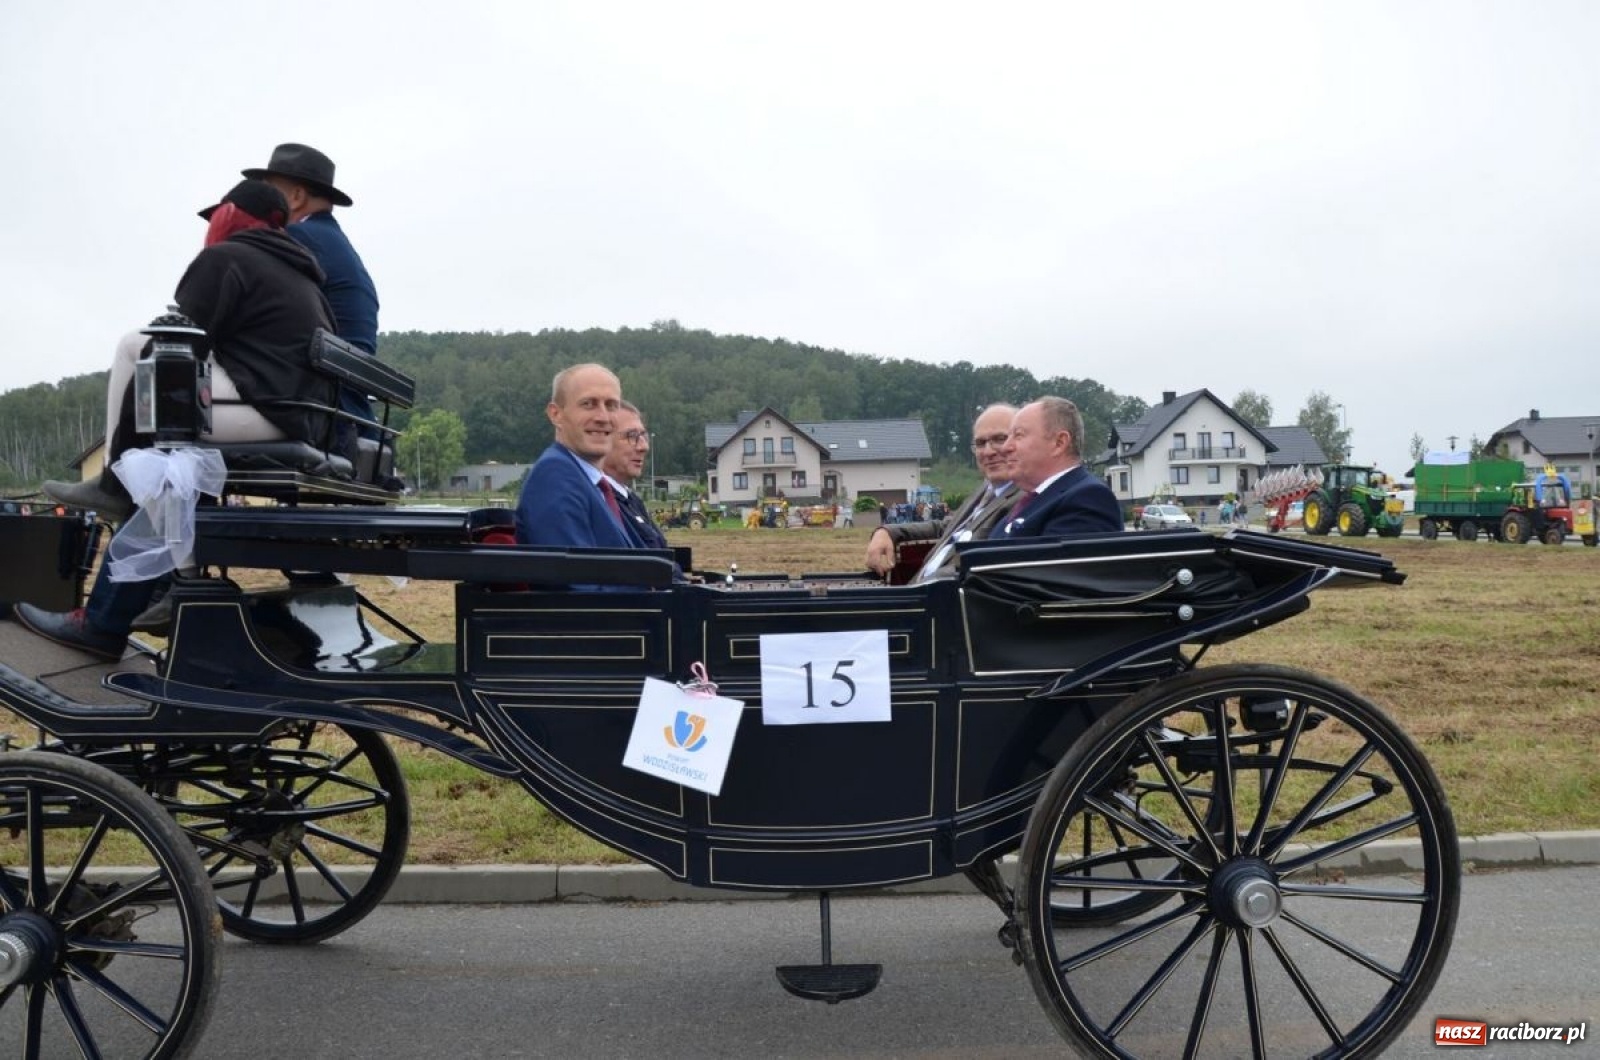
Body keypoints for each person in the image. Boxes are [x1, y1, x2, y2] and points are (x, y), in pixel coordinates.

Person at [22, 180, 339, 659]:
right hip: (302, 420)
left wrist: (136, 450)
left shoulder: (227, 259)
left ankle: (113, 484)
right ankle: (136, 596)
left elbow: (178, 342)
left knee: (135, 346)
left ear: (232, 214)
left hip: (260, 413)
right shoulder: (302, 275)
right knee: (164, 461)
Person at [242, 143, 379, 441]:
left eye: (269, 191)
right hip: (349, 403)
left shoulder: (297, 238)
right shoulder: (334, 242)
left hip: (322, 405)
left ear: (295, 196)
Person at [865, 403, 1023, 582]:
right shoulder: (987, 489)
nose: (988, 451)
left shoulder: (1024, 498)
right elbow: (946, 527)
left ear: (1020, 441)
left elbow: (983, 568)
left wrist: (917, 590)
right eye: (980, 443)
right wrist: (887, 532)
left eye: (999, 439)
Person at [514, 363, 643, 550]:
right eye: (588, 404)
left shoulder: (592, 483)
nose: (603, 417)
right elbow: (573, 575)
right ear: (556, 414)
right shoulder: (555, 478)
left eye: (611, 405)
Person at [996, 396, 1125, 538]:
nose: (1005, 448)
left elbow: (1051, 559)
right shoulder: (1030, 501)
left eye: (1018, 435)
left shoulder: (1087, 499)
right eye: (1008, 437)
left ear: (1059, 443)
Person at [601, 401, 669, 550]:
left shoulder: (631, 500)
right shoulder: (599, 502)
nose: (644, 446)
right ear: (602, 439)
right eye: (632, 436)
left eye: (643, 436)